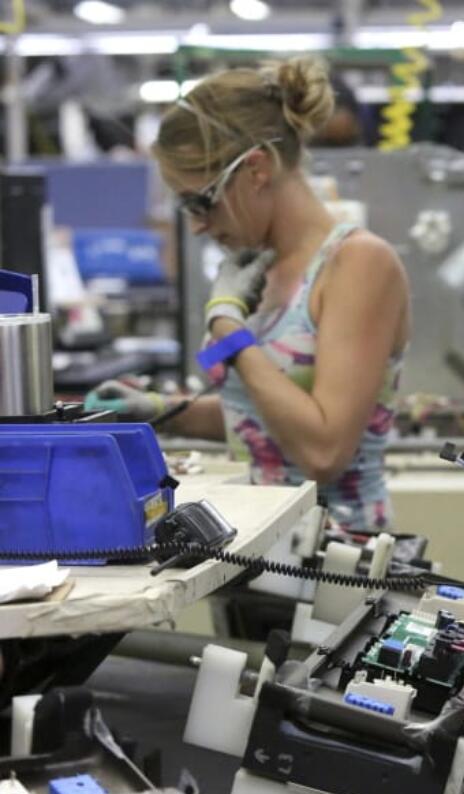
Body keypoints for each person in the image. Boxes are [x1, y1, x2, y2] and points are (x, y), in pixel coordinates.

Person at [87, 57, 410, 532]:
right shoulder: (259, 271)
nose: (197, 225)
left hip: (339, 570)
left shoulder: (357, 264)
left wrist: (230, 333)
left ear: (255, 168)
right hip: (255, 554)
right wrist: (164, 413)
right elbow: (269, 415)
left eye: (201, 200)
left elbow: (323, 450)